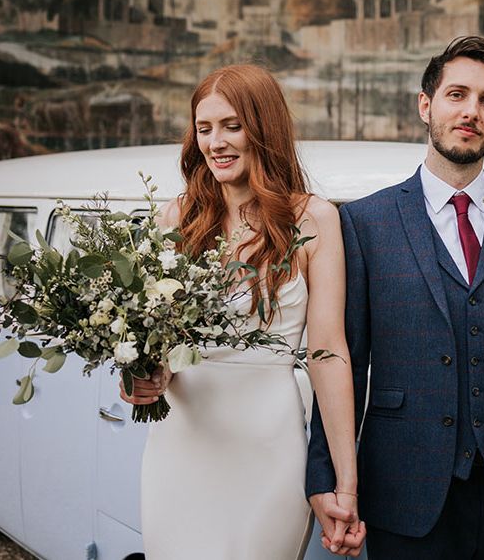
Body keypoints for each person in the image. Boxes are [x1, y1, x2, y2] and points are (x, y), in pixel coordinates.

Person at [307, 36, 484, 558]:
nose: (471, 111)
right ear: (426, 104)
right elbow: (338, 360)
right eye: (457, 94)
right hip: (405, 494)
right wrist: (326, 475)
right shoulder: (364, 224)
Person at [120, 64, 362, 559]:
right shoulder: (174, 217)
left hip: (268, 447)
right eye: (204, 129)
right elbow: (149, 344)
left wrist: (346, 482)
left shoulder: (314, 219)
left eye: (232, 125)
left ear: (263, 127)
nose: (216, 142)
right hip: (179, 446)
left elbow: (328, 353)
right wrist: (137, 379)